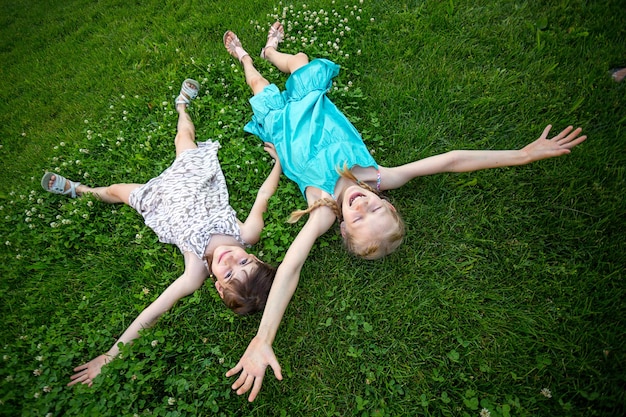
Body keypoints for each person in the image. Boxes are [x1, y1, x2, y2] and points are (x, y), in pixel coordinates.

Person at [223, 23, 588, 401]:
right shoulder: (377, 178)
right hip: (311, 101)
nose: (362, 205)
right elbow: (450, 160)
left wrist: (263, 337)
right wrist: (522, 155)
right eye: (376, 207)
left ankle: (246, 57)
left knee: (258, 87)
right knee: (298, 62)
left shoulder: (324, 213)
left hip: (283, 130)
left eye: (359, 219)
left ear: (344, 229)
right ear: (387, 200)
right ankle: (271, 50)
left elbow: (290, 268)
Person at [41, 79, 283, 387]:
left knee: (117, 191)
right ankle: (182, 105)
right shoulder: (245, 233)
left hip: (163, 202)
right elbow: (263, 196)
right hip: (194, 177)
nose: (231, 261)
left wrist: (111, 354)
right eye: (245, 263)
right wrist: (278, 164)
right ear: (253, 255)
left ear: (219, 288)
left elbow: (153, 310)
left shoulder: (195, 271)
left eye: (229, 275)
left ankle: (80, 190)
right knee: (184, 136)